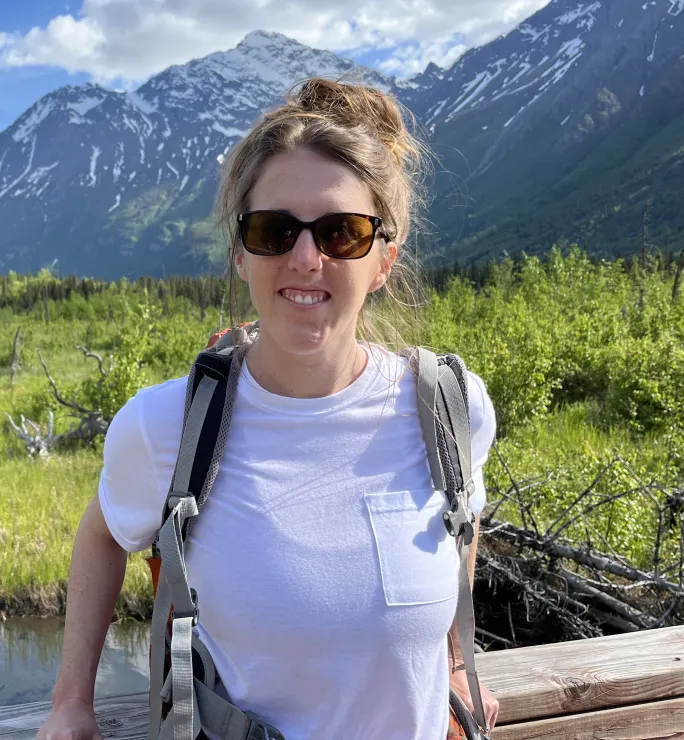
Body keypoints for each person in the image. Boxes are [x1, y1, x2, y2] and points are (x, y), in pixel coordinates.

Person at [37, 78, 501, 740]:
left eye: (342, 233)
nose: (306, 258)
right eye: (274, 230)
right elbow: (105, 532)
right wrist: (69, 703)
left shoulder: (451, 410)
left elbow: (464, 517)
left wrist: (455, 664)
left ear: (382, 262)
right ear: (240, 250)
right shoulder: (169, 425)